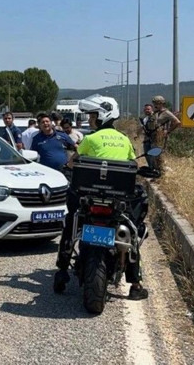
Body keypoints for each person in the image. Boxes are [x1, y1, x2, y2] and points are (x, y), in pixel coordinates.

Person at [54, 95, 149, 300]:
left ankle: (62, 269)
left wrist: (67, 168)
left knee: (71, 223)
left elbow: (74, 162)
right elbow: (133, 166)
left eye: (92, 116)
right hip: (117, 200)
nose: (90, 120)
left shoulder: (91, 139)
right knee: (131, 231)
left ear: (102, 116)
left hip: (90, 196)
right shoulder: (124, 140)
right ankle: (136, 284)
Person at [149, 95, 181, 170]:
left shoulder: (167, 113)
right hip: (154, 136)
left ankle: (162, 171)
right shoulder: (155, 113)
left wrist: (168, 131)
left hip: (161, 137)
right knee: (154, 155)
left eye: (157, 103)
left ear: (161, 104)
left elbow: (177, 122)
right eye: (154, 103)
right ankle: (157, 170)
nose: (155, 105)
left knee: (159, 154)